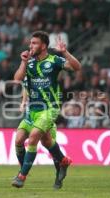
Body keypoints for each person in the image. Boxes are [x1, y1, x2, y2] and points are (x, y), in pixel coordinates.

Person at [12, 31, 81, 188]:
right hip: (33, 110)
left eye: (34, 43)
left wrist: (65, 52)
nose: (30, 46)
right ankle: (63, 161)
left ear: (43, 46)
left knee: (35, 136)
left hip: (50, 108)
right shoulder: (29, 63)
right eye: (30, 43)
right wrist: (23, 62)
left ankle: (22, 176)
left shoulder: (54, 60)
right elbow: (17, 79)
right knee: (22, 140)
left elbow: (77, 67)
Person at [15, 84, 63, 189]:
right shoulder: (31, 78)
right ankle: (22, 171)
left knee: (51, 149)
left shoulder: (51, 83)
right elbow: (26, 87)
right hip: (29, 119)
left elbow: (57, 103)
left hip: (45, 120)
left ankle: (59, 176)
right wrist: (23, 102)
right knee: (18, 140)